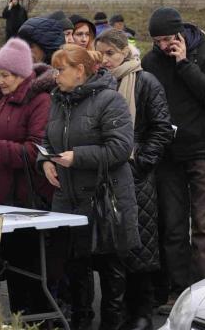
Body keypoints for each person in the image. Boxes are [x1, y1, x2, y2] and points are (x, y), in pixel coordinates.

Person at [42, 44, 138, 330]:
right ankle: (80, 323)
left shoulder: (110, 100)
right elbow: (48, 139)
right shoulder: (58, 99)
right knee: (74, 270)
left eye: (60, 70)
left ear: (79, 71)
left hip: (105, 200)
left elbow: (121, 148)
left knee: (111, 273)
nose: (55, 75)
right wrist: (44, 162)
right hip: (69, 200)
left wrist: (77, 157)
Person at [141, 7, 205, 312]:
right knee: (173, 226)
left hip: (204, 148)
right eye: (157, 40)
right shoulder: (150, 61)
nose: (163, 46)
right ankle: (177, 292)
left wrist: (185, 64)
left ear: (180, 34)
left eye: (167, 39)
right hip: (169, 153)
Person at [0, 38, 55, 313]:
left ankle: (37, 321)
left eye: (5, 75)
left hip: (24, 201)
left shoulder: (39, 101)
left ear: (21, 74)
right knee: (9, 269)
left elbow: (37, 148)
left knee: (28, 271)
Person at [95, 29, 173, 330]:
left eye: (110, 54)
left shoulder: (145, 81)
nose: (105, 60)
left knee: (141, 241)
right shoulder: (99, 83)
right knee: (113, 242)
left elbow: (161, 127)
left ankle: (141, 311)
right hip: (105, 171)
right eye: (100, 54)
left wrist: (143, 162)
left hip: (135, 171)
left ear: (124, 52)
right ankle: (116, 310)